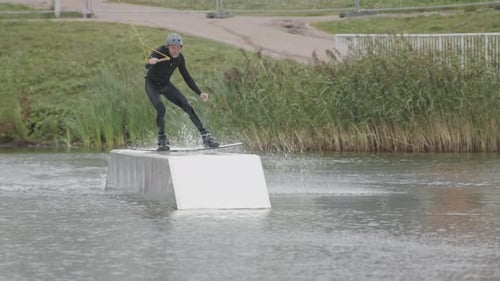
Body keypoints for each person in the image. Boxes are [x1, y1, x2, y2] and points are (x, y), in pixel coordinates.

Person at [145, 33, 219, 151]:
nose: (176, 50)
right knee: (160, 108)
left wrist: (200, 93)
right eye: (173, 48)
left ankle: (205, 137)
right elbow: (147, 64)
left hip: (166, 85)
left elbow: (187, 77)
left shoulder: (179, 58)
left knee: (186, 105)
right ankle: (162, 139)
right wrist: (151, 62)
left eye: (178, 47)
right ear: (168, 47)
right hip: (152, 85)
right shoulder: (159, 51)